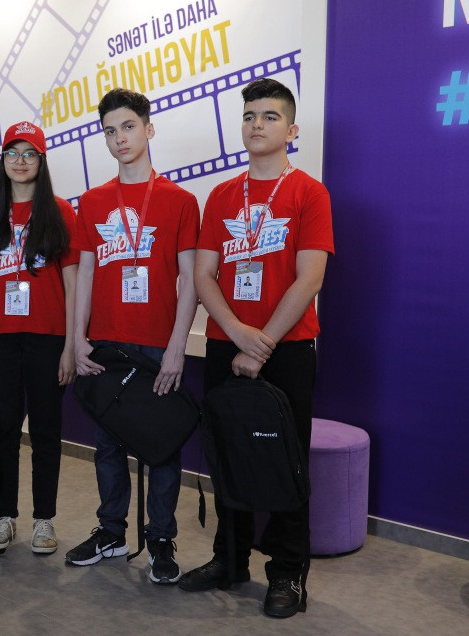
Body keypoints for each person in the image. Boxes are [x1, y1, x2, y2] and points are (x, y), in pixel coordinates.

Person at [179, 77, 333, 618]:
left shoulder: (309, 193)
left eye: (269, 116)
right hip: (227, 344)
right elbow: (204, 275)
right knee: (229, 453)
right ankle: (229, 559)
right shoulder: (222, 195)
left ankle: (288, 572)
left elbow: (310, 278)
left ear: (291, 130)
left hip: (287, 348)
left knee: (286, 459)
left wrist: (260, 343)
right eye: (249, 116)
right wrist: (237, 333)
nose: (256, 124)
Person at [66, 88, 199, 585]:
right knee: (107, 444)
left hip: (156, 346)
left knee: (162, 446)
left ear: (148, 128)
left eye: (127, 126)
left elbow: (191, 282)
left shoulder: (180, 201)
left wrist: (177, 348)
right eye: (109, 131)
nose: (119, 138)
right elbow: (84, 274)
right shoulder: (93, 201)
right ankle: (111, 532)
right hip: (106, 343)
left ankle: (161, 539)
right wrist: (77, 338)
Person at [0, 121, 77, 554]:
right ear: (2, 160)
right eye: (12, 152)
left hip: (48, 337)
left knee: (46, 430)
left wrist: (70, 345)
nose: (20, 161)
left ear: (41, 161)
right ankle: (6, 515)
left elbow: (72, 283)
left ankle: (44, 519)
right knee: (4, 430)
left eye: (29, 153)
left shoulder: (60, 211)